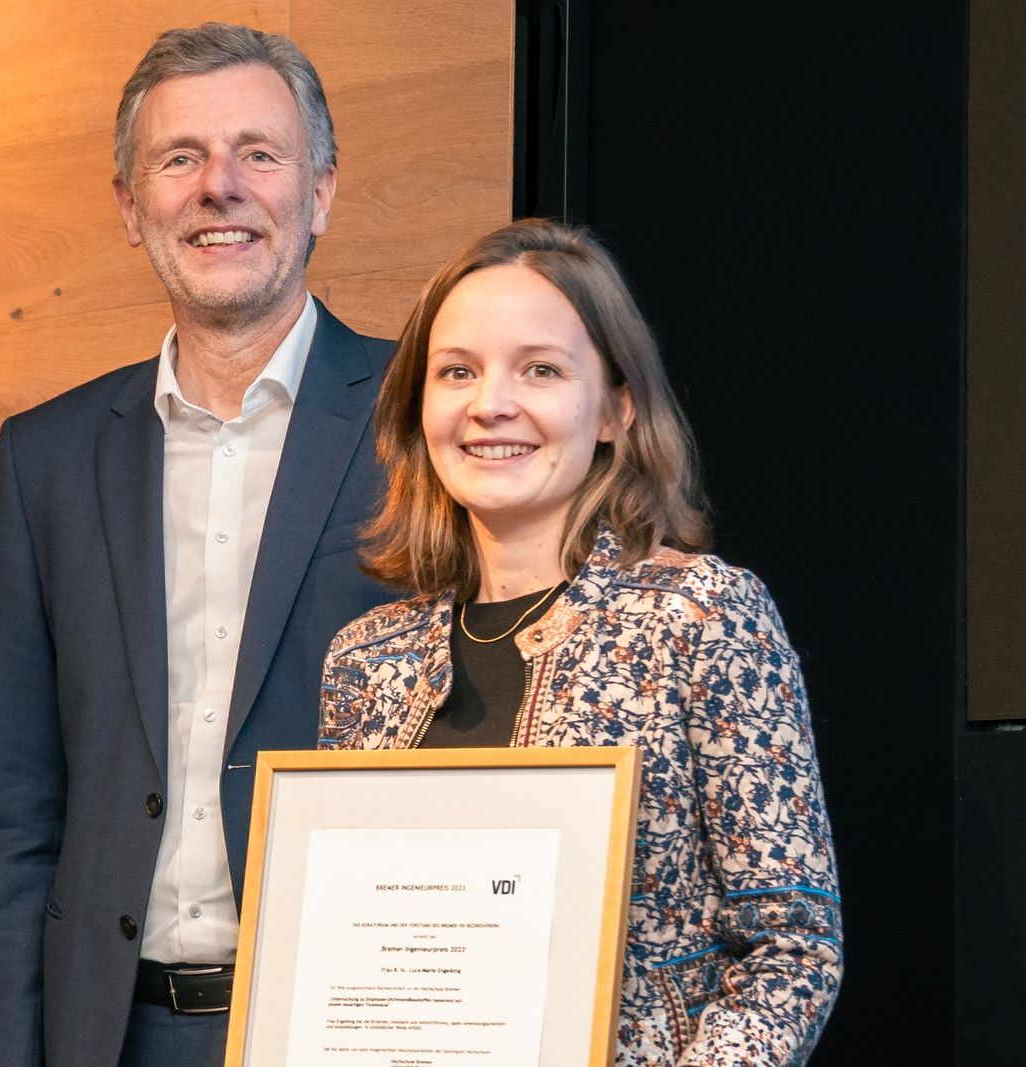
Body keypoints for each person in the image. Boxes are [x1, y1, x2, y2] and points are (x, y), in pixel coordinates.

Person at [0, 23, 400, 1067]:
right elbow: (19, 809)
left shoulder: (424, 420)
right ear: (129, 206)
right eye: (179, 158)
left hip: (352, 1019)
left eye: (258, 152)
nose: (220, 187)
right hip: (112, 1031)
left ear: (322, 192)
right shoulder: (45, 458)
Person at [318, 218, 843, 1063]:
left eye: (541, 369)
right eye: (457, 371)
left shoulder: (704, 615)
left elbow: (793, 947)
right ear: (420, 408)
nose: (490, 402)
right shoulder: (363, 660)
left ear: (615, 408)